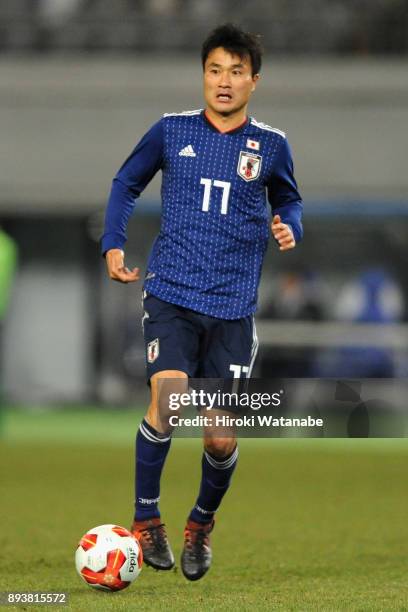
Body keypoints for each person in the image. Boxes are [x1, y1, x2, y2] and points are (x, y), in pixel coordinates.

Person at [102, 23, 303, 581]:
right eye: (215, 69)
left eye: (236, 71)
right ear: (203, 74)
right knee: (167, 400)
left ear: (253, 82)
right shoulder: (171, 131)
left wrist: (291, 227)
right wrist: (113, 244)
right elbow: (125, 183)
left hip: (234, 307)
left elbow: (290, 199)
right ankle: (146, 522)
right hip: (171, 292)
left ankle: (200, 525)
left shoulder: (271, 145)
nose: (224, 80)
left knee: (220, 434)